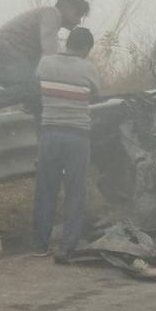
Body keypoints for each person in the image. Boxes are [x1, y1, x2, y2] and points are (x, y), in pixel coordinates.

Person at [0, 0, 90, 127]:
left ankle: (38, 130)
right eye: (78, 15)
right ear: (69, 8)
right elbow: (50, 56)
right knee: (37, 87)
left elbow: (40, 66)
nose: (78, 21)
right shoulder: (52, 14)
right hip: (1, 55)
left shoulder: (45, 20)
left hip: (0, 56)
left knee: (37, 94)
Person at [32, 27, 100, 262]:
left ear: (67, 42)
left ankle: (40, 245)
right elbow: (96, 95)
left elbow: (36, 89)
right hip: (77, 136)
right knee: (75, 192)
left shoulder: (45, 63)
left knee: (45, 190)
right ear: (85, 49)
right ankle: (67, 247)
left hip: (49, 134)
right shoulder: (88, 68)